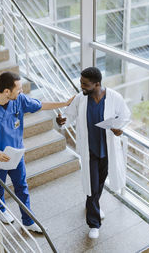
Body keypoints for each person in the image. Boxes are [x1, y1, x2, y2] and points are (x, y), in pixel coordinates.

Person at [0, 71, 74, 233]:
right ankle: (1, 211)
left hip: (16, 155)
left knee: (22, 187)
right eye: (18, 89)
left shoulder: (19, 100)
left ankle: (28, 221)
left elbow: (40, 104)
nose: (22, 92)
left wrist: (65, 103)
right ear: (6, 91)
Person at [56, 67, 131, 239]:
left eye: (85, 83)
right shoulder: (80, 99)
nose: (81, 86)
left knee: (98, 184)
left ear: (97, 84)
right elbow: (69, 116)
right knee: (92, 186)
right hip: (89, 150)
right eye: (81, 82)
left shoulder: (114, 97)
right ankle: (94, 223)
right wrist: (61, 121)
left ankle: (93, 206)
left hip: (107, 150)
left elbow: (125, 116)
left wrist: (119, 129)